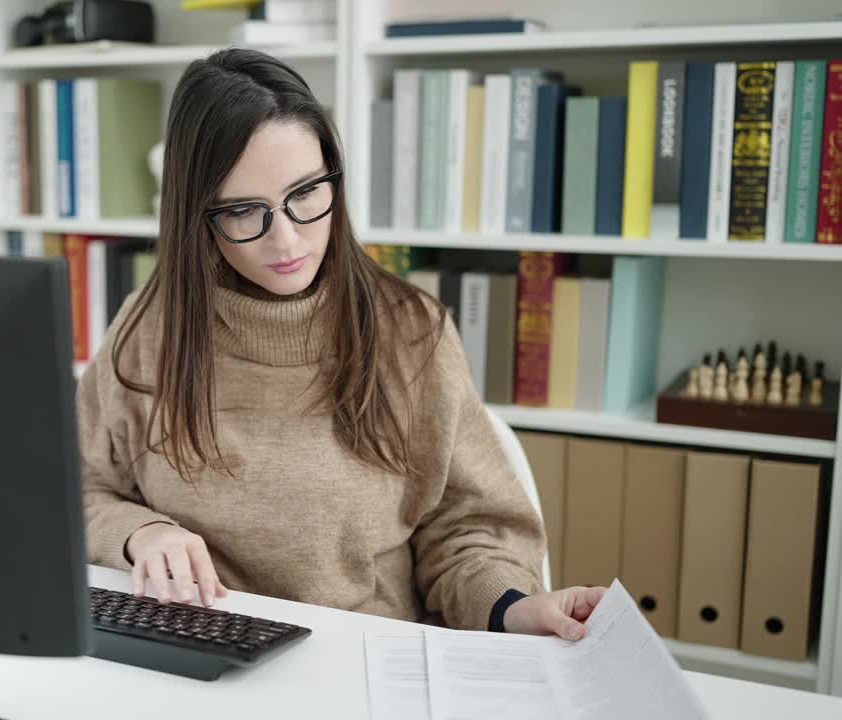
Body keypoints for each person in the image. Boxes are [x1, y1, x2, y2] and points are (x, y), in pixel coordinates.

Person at [78, 48, 605, 640]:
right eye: (244, 210)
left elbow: (468, 528)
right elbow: (78, 487)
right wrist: (138, 532)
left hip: (364, 659)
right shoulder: (147, 332)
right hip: (202, 652)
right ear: (196, 213)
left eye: (306, 193)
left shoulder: (410, 331)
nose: (286, 239)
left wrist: (510, 606)